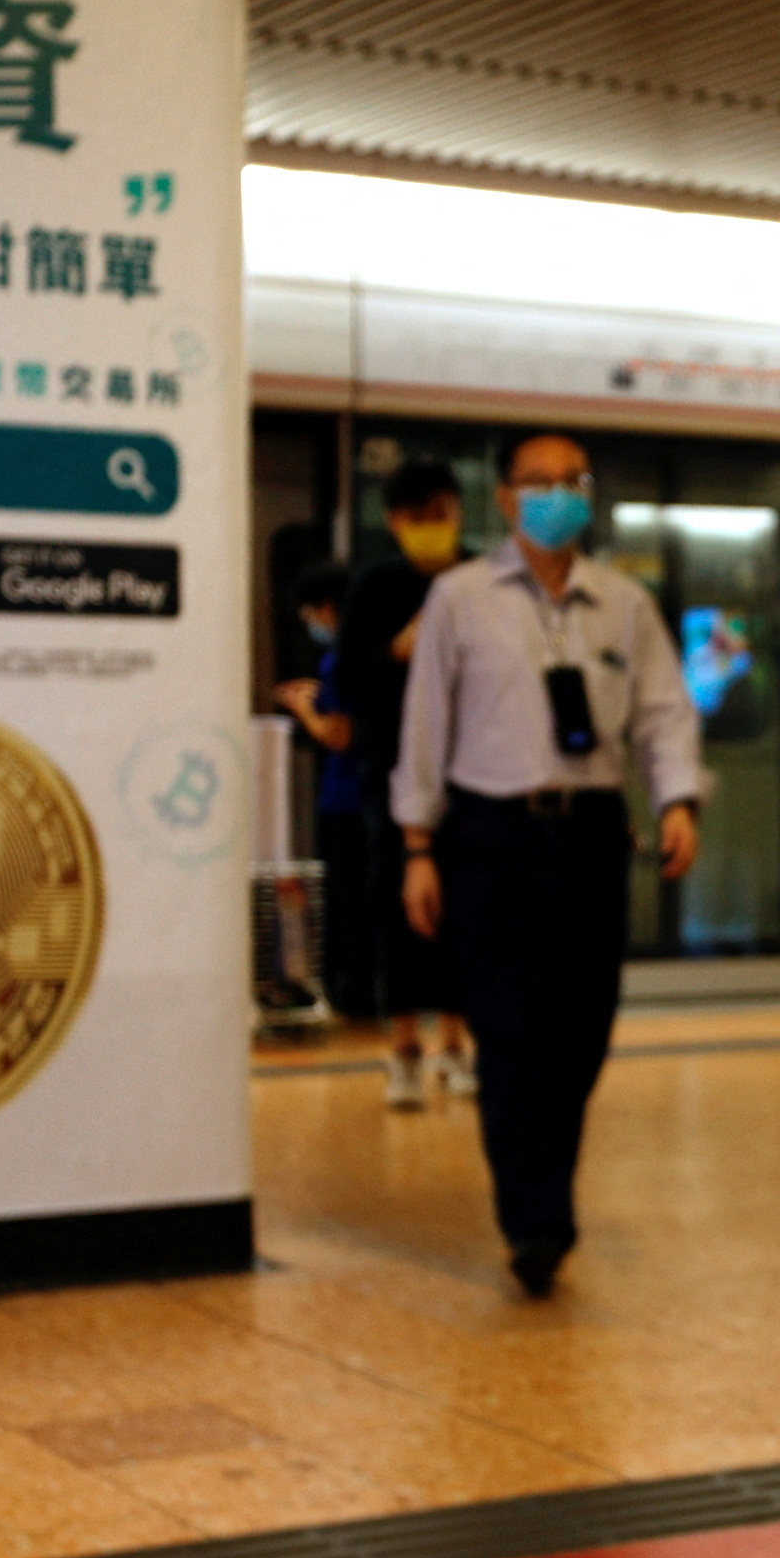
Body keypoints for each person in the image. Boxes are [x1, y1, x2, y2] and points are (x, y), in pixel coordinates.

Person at [395, 433, 703, 1296]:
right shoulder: (459, 599)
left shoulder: (623, 604)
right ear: (504, 499)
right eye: (540, 483)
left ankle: (543, 1192)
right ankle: (535, 1221)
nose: (558, 495)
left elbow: (662, 714)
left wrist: (675, 800)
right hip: (490, 838)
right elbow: (424, 727)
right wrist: (417, 845)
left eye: (573, 482)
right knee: (511, 1032)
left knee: (582, 1032)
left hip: (593, 834)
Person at [338, 460, 477, 1105]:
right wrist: (401, 649)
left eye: (444, 515)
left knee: (465, 910)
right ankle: (401, 1049)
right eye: (421, 519)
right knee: (395, 909)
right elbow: (350, 679)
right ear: (395, 523)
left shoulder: (482, 579)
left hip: (474, 773)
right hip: (390, 774)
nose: (435, 529)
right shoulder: (374, 588)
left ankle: (456, 1042)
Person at [270, 560, 375, 1020]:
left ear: (328, 608)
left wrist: (302, 710)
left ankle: (353, 996)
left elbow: (339, 733)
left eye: (312, 614)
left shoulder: (342, 658)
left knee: (349, 903)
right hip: (371, 797)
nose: (312, 625)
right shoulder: (373, 655)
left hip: (346, 798)